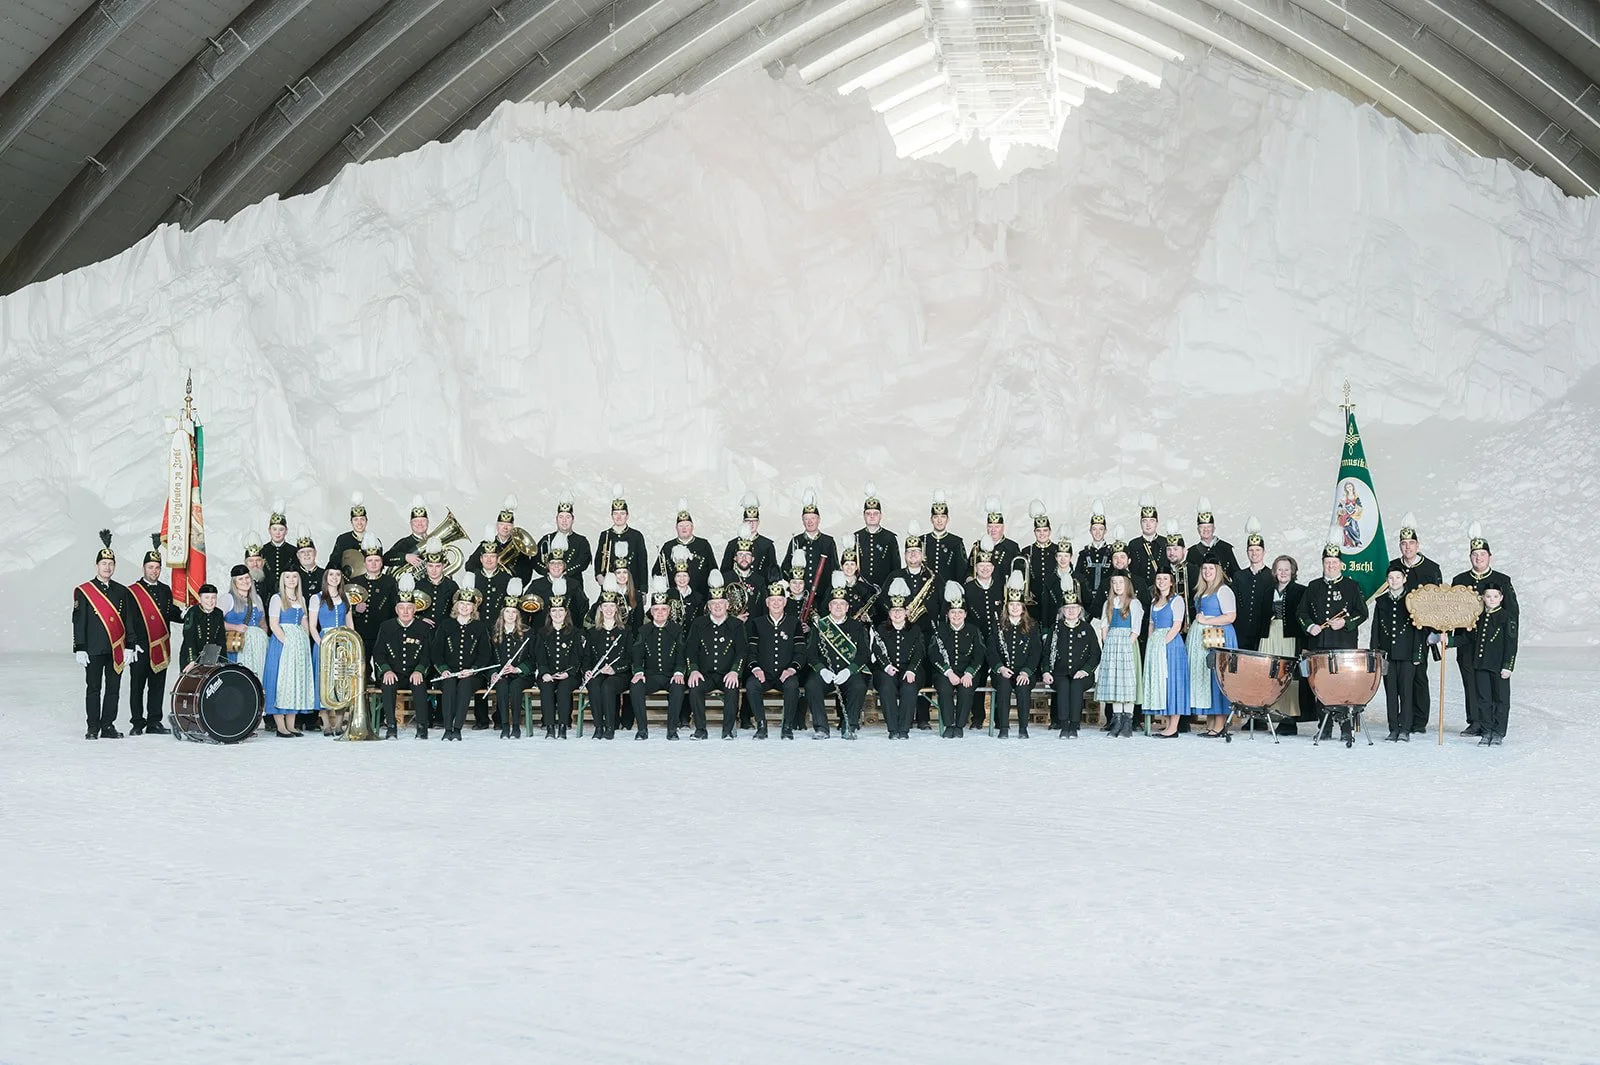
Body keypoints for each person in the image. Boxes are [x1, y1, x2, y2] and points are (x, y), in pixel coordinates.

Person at [1297, 536, 1371, 742]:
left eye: (1334, 563)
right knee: (1320, 686)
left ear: (1341, 564)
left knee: (1343, 685)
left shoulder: (1352, 586)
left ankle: (1346, 727)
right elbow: (1301, 612)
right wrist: (1310, 626)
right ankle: (1325, 726)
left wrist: (1346, 623)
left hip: (1343, 645)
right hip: (1318, 645)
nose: (1330, 566)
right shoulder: (1313, 587)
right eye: (1327, 563)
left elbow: (1362, 613)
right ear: (1323, 564)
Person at [1450, 522, 1516, 738]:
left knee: (1494, 687)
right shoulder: (1460, 581)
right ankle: (1476, 722)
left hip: (1494, 645)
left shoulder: (1501, 581)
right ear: (1470, 557)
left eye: (1482, 554)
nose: (1478, 558)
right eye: (1474, 554)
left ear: (1490, 557)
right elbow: (1452, 612)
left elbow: (1511, 615)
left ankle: (1495, 726)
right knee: (1472, 684)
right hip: (1467, 642)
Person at [72, 530, 139, 739]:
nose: (107, 567)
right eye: (103, 564)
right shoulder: (84, 591)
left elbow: (129, 620)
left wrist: (130, 644)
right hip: (92, 649)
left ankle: (108, 725)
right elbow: (78, 621)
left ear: (114, 567)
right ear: (97, 566)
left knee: (113, 689)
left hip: (116, 649)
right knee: (93, 689)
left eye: (110, 564)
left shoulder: (122, 591)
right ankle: (93, 727)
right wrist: (80, 647)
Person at [1389, 513, 1444, 734]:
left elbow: (1439, 601)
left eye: (1411, 543)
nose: (1407, 547)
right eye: (1403, 543)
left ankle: (1419, 720)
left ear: (1418, 545)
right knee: (1401, 679)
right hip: (1399, 630)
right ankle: (1404, 718)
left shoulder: (1431, 568)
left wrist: (1436, 631)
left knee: (1419, 675)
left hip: (1421, 632)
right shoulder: (1393, 566)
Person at [125, 535, 182, 734]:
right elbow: (128, 620)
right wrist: (130, 644)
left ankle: (154, 722)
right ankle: (137, 723)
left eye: (157, 567)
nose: (154, 571)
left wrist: (184, 614)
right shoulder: (132, 591)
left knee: (157, 686)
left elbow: (170, 613)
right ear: (143, 568)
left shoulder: (166, 590)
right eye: (150, 567)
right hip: (140, 646)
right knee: (137, 686)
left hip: (161, 645)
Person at [803, 572, 868, 738]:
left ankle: (849, 726)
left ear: (847, 607)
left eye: (842, 604)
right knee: (811, 686)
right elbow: (811, 653)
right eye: (834, 604)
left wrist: (850, 670)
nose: (838, 607)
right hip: (826, 673)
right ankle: (821, 728)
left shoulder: (857, 626)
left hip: (847, 673)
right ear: (829, 606)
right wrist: (821, 670)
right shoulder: (820, 625)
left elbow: (863, 654)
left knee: (859, 686)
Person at [687, 572, 747, 739]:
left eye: (721, 603)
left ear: (727, 604)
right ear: (709, 606)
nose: (717, 606)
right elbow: (691, 649)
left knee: (732, 687)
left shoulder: (736, 625)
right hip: (705, 674)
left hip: (727, 673)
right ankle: (700, 730)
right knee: (695, 687)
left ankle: (727, 730)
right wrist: (693, 670)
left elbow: (742, 650)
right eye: (714, 603)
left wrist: (735, 671)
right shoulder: (699, 624)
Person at [1369, 563, 1424, 742]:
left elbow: (1418, 630)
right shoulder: (1381, 601)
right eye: (1391, 578)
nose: (1394, 581)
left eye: (1398, 578)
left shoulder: (1412, 600)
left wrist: (1418, 653)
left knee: (1406, 692)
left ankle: (1405, 728)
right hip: (1387, 654)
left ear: (1404, 579)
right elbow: (1376, 628)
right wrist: (1375, 652)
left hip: (1407, 654)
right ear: (1387, 581)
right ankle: (1393, 728)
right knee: (1391, 693)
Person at [432, 577, 490, 741]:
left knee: (465, 686)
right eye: (462, 604)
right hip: (448, 673)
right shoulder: (445, 625)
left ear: (473, 608)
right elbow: (436, 653)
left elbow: (485, 654)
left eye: (468, 605)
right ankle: (447, 728)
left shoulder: (480, 627)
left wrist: (472, 670)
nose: (464, 607)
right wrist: (443, 669)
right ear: (457, 606)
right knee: (449, 686)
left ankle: (457, 728)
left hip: (472, 675)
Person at [1187, 555, 1238, 737]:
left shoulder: (1223, 590)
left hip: (1218, 637)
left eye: (1211, 569)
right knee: (1206, 678)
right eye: (1204, 569)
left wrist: (1208, 620)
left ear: (1218, 571)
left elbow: (1231, 616)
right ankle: (1211, 721)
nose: (1207, 572)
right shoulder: (1202, 590)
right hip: (1204, 638)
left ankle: (1220, 723)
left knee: (1218, 678)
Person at [373, 574, 430, 739]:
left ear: (415, 609)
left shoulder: (423, 628)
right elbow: (379, 653)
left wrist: (419, 670)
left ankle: (422, 727)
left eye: (409, 608)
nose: (405, 611)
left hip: (413, 672)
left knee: (419, 684)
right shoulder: (386, 627)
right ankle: (391, 726)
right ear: (396, 609)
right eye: (402, 608)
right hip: (394, 672)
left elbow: (427, 654)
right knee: (387, 682)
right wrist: (386, 671)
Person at [745, 578, 802, 738]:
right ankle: (761, 725)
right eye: (772, 600)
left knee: (792, 686)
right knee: (751, 685)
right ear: (767, 603)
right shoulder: (757, 623)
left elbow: (800, 652)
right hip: (764, 673)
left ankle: (787, 726)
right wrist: (755, 668)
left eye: (779, 600)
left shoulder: (794, 623)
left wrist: (792, 669)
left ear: (785, 602)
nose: (776, 603)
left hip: (786, 674)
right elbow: (751, 651)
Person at [631, 576, 686, 740]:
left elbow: (682, 654)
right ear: (651, 611)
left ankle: (672, 730)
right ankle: (642, 730)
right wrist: (638, 671)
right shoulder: (643, 630)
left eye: (663, 609)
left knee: (677, 688)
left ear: (669, 611)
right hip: (651, 676)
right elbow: (637, 654)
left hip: (671, 675)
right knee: (636, 687)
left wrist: (679, 672)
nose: (660, 613)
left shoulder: (677, 630)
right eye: (656, 609)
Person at [1262, 555, 1312, 732]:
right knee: (1268, 674)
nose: (1283, 573)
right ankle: (1266, 713)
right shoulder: (1267, 590)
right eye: (1280, 569)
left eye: (1286, 569)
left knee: (1288, 675)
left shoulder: (1301, 591)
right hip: (1269, 636)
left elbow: (1306, 618)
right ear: (1275, 572)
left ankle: (1288, 718)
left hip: (1290, 637)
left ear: (1293, 572)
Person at [1041, 589, 1101, 738]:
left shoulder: (1087, 628)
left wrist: (1086, 670)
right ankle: (1064, 724)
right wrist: (1046, 671)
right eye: (1067, 608)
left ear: (1080, 610)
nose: (1071, 611)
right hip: (1059, 673)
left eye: (1074, 607)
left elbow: (1095, 654)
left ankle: (1074, 724)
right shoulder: (1056, 628)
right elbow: (1046, 652)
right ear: (1062, 611)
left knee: (1075, 686)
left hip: (1083, 674)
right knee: (1063, 686)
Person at [988, 572, 1041, 738]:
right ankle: (1003, 727)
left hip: (1024, 671)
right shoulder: (998, 626)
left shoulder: (1032, 626)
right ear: (1006, 607)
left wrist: (1026, 671)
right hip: (1003, 671)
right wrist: (1000, 668)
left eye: (1018, 605)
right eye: (1011, 605)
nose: (1015, 608)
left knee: (1023, 687)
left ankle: (1023, 728)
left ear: (1023, 608)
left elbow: (1035, 652)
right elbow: (991, 651)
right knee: (1003, 687)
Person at [264, 570, 316, 737]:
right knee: (281, 681)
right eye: (287, 577)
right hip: (283, 643)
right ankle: (280, 726)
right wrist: (287, 641)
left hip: (299, 644)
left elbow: (304, 621)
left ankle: (291, 725)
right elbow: (273, 624)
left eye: (294, 577)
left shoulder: (301, 599)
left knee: (295, 681)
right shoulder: (277, 598)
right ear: (282, 580)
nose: (291, 580)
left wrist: (305, 641)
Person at [929, 581, 984, 738]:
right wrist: (948, 672)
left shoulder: (973, 631)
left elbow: (979, 654)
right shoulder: (940, 630)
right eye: (953, 613)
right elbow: (934, 654)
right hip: (945, 672)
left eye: (960, 612)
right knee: (944, 690)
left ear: (965, 614)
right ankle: (948, 725)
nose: (956, 616)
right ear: (947, 614)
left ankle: (959, 725)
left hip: (968, 672)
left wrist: (969, 673)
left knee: (966, 690)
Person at [872, 578, 923, 739]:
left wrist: (912, 670)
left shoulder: (914, 629)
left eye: (900, 611)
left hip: (910, 669)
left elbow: (919, 652)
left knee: (909, 688)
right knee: (886, 688)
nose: (897, 614)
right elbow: (877, 649)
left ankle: (904, 729)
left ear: (906, 612)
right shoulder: (881, 628)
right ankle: (893, 729)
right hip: (886, 670)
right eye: (894, 611)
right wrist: (886, 666)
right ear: (889, 613)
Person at [1142, 569, 1190, 738]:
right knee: (1162, 683)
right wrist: (1151, 645)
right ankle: (1168, 724)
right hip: (1156, 643)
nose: (1161, 581)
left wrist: (1162, 644)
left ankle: (1174, 726)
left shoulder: (1177, 601)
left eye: (1165, 579)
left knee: (1173, 682)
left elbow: (1177, 625)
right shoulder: (1154, 601)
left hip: (1171, 644)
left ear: (1171, 582)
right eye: (1159, 578)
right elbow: (1151, 626)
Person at [1094, 572, 1143, 738]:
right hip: (1112, 644)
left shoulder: (1134, 603)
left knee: (1126, 682)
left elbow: (1136, 628)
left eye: (1120, 582)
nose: (1117, 586)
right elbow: (1104, 624)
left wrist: (1126, 645)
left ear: (1127, 584)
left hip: (1126, 644)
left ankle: (1127, 722)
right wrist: (1106, 641)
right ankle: (1117, 721)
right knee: (1114, 682)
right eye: (1114, 583)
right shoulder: (1109, 603)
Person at [584, 577, 632, 739]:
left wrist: (614, 669)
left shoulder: (625, 631)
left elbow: (630, 658)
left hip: (620, 674)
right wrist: (587, 671)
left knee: (608, 687)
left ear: (617, 609)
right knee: (594, 684)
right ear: (601, 609)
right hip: (598, 673)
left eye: (612, 606)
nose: (609, 609)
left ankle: (610, 727)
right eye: (606, 606)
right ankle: (598, 726)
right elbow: (587, 658)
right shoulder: (593, 632)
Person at [781, 488, 839, 620]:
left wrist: (829, 596)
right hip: (800, 600)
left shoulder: (828, 542)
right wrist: (795, 591)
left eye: (813, 518)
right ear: (802, 520)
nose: (810, 521)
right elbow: (785, 568)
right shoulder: (796, 541)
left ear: (819, 519)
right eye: (806, 518)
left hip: (823, 598)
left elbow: (835, 570)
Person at [536, 580, 584, 738]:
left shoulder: (575, 633)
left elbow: (577, 658)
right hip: (548, 673)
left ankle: (563, 725)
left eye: (560, 611)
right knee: (547, 687)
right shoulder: (542, 633)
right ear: (549, 613)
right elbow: (540, 657)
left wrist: (568, 673)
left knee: (564, 688)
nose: (557, 614)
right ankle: (549, 726)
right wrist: (544, 673)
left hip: (569, 675)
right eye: (554, 611)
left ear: (566, 612)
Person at [308, 568, 353, 735]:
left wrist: (352, 645)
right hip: (324, 641)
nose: (335, 578)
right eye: (331, 575)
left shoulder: (345, 597)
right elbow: (312, 626)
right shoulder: (317, 598)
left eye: (338, 575)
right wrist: (322, 644)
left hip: (343, 643)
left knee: (341, 681)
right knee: (324, 681)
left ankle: (340, 723)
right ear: (326, 578)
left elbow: (350, 623)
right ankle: (326, 723)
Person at [1470, 585, 1516, 746]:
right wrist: (1449, 641)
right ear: (1482, 597)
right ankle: (1486, 730)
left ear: (1501, 598)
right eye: (1488, 596)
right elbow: (1469, 639)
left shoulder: (1506, 617)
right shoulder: (1478, 616)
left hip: (1498, 667)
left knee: (1501, 700)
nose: (1491, 600)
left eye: (1495, 596)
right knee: (1483, 700)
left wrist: (1508, 666)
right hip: (1481, 665)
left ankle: (1498, 732)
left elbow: (1511, 644)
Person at [489, 581, 534, 738]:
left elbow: (532, 659)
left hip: (522, 676)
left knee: (515, 687)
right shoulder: (494, 633)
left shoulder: (528, 633)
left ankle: (516, 725)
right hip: (501, 675)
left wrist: (518, 669)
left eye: (513, 612)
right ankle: (504, 726)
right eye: (507, 612)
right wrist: (494, 673)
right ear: (502, 614)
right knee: (501, 687)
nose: (510, 615)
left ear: (518, 615)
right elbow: (488, 659)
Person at [349, 536, 395, 666]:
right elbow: (345, 609)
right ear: (364, 563)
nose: (373, 563)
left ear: (381, 563)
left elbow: (394, 608)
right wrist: (355, 610)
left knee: (383, 666)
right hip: (360, 632)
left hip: (383, 633)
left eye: (377, 560)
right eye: (370, 560)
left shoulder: (390, 582)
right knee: (362, 667)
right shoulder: (355, 582)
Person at [535, 495, 594, 598]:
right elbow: (535, 560)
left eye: (568, 517)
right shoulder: (546, 539)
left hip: (573, 586)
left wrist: (566, 571)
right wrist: (549, 572)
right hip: (548, 586)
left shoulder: (581, 541)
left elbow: (584, 562)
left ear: (573, 519)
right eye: (561, 517)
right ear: (556, 519)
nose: (564, 521)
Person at [1229, 518, 1275, 651]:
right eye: (1251, 550)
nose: (1254, 553)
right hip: (1240, 632)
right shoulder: (1239, 576)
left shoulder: (1272, 576)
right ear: (1247, 552)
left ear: (1264, 552)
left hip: (1263, 634)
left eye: (1258, 550)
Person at [593, 485, 648, 595]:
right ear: (611, 516)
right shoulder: (605, 535)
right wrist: (599, 576)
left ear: (627, 516)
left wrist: (643, 590)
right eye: (615, 514)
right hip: (610, 587)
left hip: (633, 587)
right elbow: (599, 558)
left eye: (622, 513)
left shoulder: (636, 536)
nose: (619, 517)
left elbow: (642, 564)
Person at [658, 500, 717, 596]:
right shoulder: (667, 547)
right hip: (674, 600)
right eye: (681, 526)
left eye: (687, 525)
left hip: (701, 597)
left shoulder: (703, 545)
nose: (684, 528)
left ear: (692, 527)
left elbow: (713, 571)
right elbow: (658, 572)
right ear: (676, 528)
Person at [221, 563, 270, 677]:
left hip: (259, 646)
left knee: (260, 675)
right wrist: (235, 627)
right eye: (240, 579)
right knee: (242, 677)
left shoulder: (257, 598)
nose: (245, 581)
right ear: (234, 582)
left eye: (247, 577)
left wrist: (262, 638)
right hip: (239, 645)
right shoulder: (228, 599)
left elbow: (263, 623)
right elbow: (216, 622)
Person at [467, 495, 530, 583]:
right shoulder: (487, 544)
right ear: (497, 526)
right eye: (502, 524)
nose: (505, 528)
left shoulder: (520, 546)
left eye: (508, 525)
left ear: (513, 527)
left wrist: (516, 586)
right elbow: (469, 566)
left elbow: (527, 573)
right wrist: (483, 580)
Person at [529, 534, 590, 623]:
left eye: (560, 563)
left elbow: (583, 607)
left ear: (564, 566)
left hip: (569, 632)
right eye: (552, 563)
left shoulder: (574, 584)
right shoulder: (536, 585)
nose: (556, 566)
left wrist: (574, 624)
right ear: (547, 566)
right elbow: (526, 608)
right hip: (541, 632)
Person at [852, 484, 901, 592]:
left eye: (875, 513)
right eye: (868, 513)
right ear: (863, 516)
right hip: (860, 591)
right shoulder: (856, 537)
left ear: (881, 515)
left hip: (884, 590)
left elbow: (896, 569)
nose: (872, 516)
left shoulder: (890, 538)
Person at [720, 494, 779, 578]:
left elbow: (773, 574)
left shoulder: (767, 545)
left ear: (758, 522)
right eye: (748, 521)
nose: (751, 524)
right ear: (743, 522)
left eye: (754, 521)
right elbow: (725, 572)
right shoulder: (732, 545)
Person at [1073, 500, 1114, 620]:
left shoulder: (1112, 553)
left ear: (1105, 531)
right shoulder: (1084, 554)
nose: (1097, 532)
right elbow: (1077, 578)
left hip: (1107, 600)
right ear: (1090, 531)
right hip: (1087, 601)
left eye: (1101, 529)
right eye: (1094, 529)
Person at [1185, 497, 1239, 585]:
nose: (1206, 530)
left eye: (1208, 527)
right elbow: (1190, 582)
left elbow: (1235, 575)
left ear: (1214, 528)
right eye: (1202, 527)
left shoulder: (1225, 548)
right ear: (1198, 530)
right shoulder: (1192, 552)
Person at [1021, 500, 1056, 626]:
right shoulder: (1027, 551)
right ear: (1034, 532)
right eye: (1038, 531)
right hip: (1033, 603)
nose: (1042, 534)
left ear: (1050, 532)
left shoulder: (1057, 550)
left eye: (1045, 530)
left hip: (1053, 602)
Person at [924, 489, 968, 587]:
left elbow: (962, 571)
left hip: (948, 592)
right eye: (936, 517)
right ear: (931, 519)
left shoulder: (956, 542)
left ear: (948, 519)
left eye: (943, 517)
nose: (939, 520)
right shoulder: (923, 540)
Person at [179, 583, 226, 669]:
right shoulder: (192, 612)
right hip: (191, 655)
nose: (210, 601)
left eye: (213, 597)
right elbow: (189, 637)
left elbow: (221, 639)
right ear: (200, 599)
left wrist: (223, 661)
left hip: (211, 657)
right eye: (207, 597)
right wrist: (192, 660)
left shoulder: (219, 613)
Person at [414, 539, 458, 630]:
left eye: (437, 566)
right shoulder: (418, 585)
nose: (434, 570)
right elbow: (407, 609)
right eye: (430, 566)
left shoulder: (452, 586)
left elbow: (457, 611)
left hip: (445, 631)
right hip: (421, 631)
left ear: (443, 566)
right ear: (426, 565)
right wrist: (420, 619)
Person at [970, 497, 1020, 575]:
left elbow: (1018, 572)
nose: (993, 530)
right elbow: (969, 570)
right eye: (990, 526)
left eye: (997, 527)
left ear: (1003, 528)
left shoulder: (1012, 547)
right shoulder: (977, 546)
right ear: (987, 527)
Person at [1124, 494, 1163, 593]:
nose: (1148, 524)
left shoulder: (1165, 542)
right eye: (1144, 521)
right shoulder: (1133, 544)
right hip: (1138, 591)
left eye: (1152, 521)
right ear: (1140, 523)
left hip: (1160, 591)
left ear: (1157, 523)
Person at [383, 496, 432, 573]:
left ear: (428, 522)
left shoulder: (434, 542)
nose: (419, 524)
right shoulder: (405, 543)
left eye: (423, 520)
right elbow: (386, 558)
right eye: (416, 521)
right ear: (411, 524)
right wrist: (405, 557)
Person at [324, 492, 368, 576]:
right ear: (351, 522)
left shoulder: (374, 540)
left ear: (366, 521)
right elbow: (334, 563)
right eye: (356, 520)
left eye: (362, 519)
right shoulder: (343, 540)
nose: (359, 523)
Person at [261, 502, 295, 598]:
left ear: (286, 531)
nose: (277, 533)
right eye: (274, 529)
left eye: (281, 529)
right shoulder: (262, 550)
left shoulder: (293, 551)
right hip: (266, 595)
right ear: (269, 530)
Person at [665, 545, 703, 627]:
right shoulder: (667, 595)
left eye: (685, 576)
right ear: (674, 578)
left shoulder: (698, 597)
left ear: (689, 577)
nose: (682, 579)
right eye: (678, 576)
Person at [292, 530, 325, 604]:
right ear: (298, 555)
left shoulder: (325, 574)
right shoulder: (293, 576)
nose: (306, 554)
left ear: (315, 552)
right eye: (302, 552)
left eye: (309, 551)